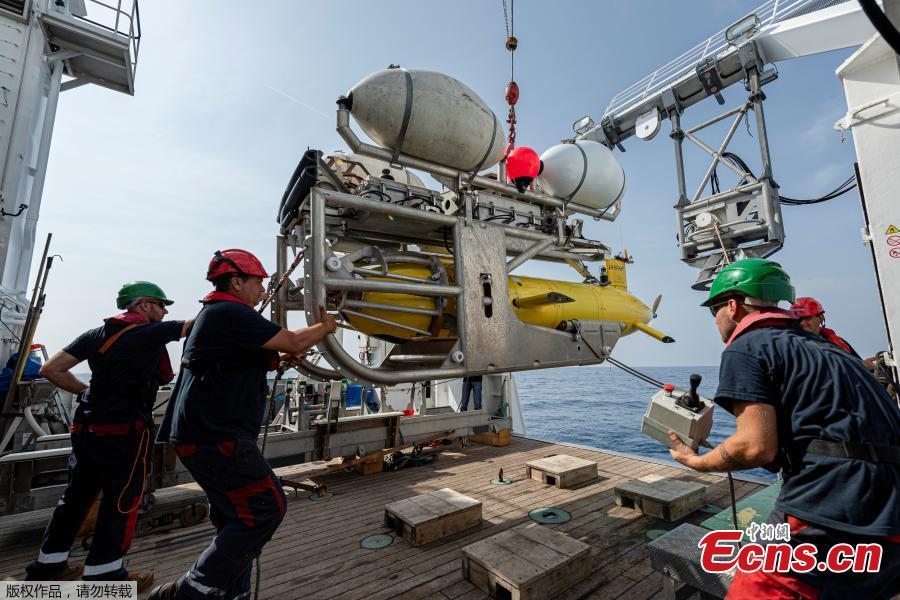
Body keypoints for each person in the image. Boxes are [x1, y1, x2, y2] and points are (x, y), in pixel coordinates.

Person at [667, 258, 900, 598]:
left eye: (713, 310)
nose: (715, 320)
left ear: (732, 306)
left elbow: (754, 447)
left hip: (833, 511)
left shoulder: (747, 346)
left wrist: (697, 462)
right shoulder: (835, 350)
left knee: (757, 589)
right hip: (890, 517)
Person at [150, 249, 337, 600]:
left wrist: (278, 357)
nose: (263, 290)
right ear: (236, 282)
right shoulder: (230, 312)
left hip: (200, 434)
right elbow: (295, 339)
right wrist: (325, 327)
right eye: (257, 282)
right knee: (267, 508)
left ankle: (233, 592)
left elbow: (234, 361)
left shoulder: (216, 315)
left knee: (236, 516)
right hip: (217, 436)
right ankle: (192, 589)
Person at [25, 281, 192, 590]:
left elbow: (51, 369)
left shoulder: (96, 335)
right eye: (160, 304)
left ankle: (48, 566)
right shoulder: (148, 333)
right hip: (125, 430)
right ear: (142, 305)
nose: (165, 310)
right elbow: (200, 324)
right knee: (122, 499)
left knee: (76, 497)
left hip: (87, 427)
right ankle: (104, 572)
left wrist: (87, 391)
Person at [790, 296, 861, 357]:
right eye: (798, 319)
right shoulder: (791, 345)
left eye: (807, 318)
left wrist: (863, 366)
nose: (802, 323)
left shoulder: (837, 341)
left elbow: (855, 362)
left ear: (821, 317)